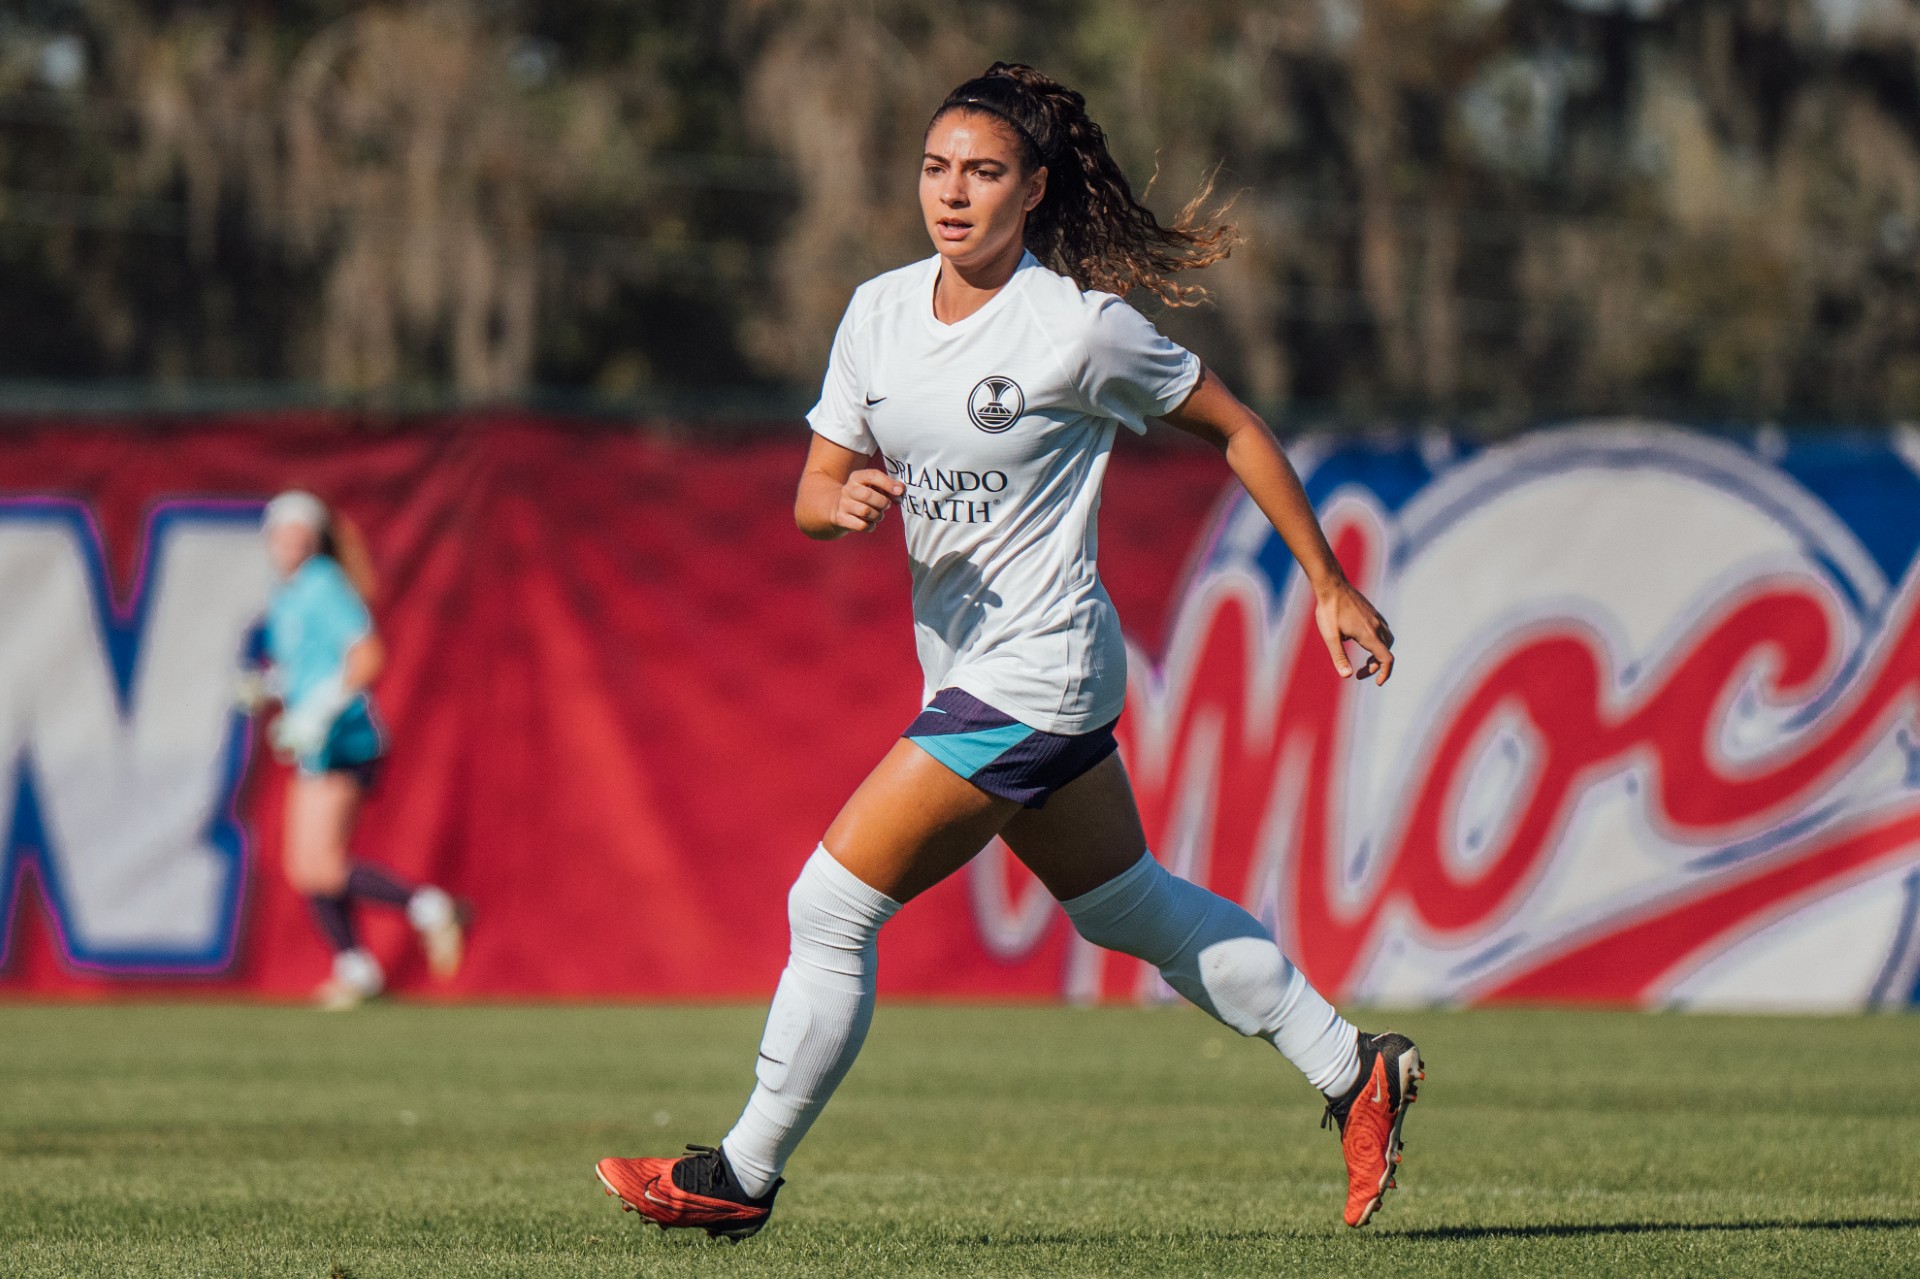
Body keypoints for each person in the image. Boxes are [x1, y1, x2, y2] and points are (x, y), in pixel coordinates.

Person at [596, 62, 1420, 1238]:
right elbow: (811, 490)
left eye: (983, 172)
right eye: (937, 168)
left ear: (1033, 190)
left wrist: (1331, 584)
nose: (953, 191)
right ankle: (1353, 1067)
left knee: (829, 904)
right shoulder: (878, 312)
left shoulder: (1076, 329)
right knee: (1127, 905)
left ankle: (739, 1176)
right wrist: (838, 507)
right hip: (982, 671)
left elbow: (1235, 426)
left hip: (1038, 670)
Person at [247, 490, 468, 1010]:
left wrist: (316, 712)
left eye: (299, 533)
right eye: (282, 533)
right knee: (304, 866)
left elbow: (367, 656)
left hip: (344, 737)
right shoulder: (288, 595)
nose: (289, 543)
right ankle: (356, 966)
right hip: (315, 742)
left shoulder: (323, 586)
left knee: (320, 866)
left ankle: (429, 908)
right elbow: (309, 668)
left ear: (315, 538)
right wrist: (271, 688)